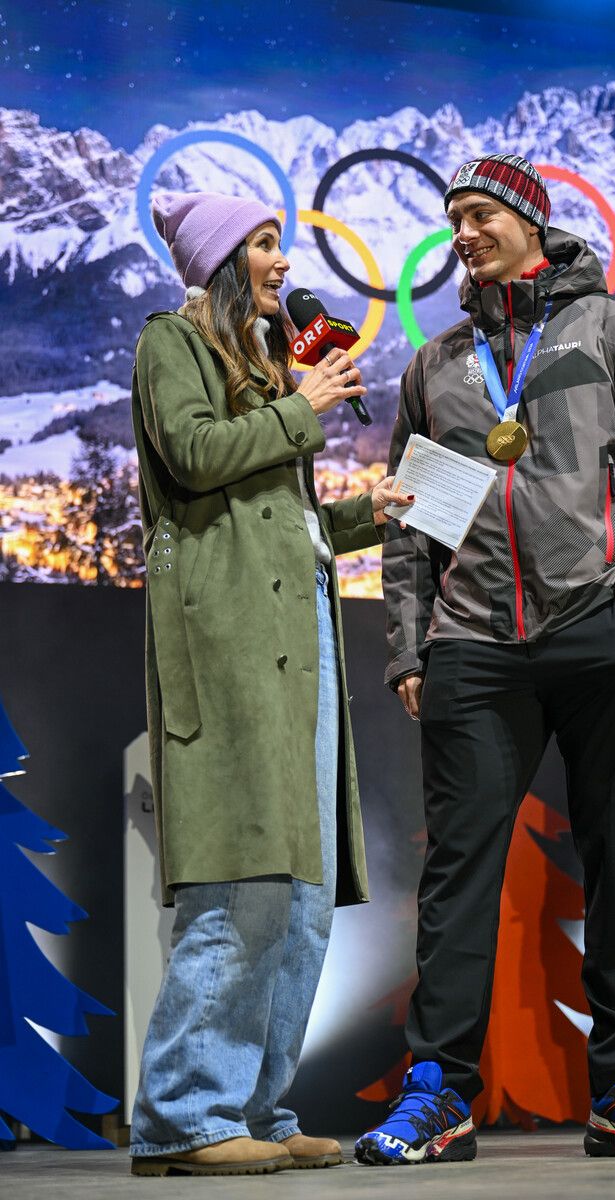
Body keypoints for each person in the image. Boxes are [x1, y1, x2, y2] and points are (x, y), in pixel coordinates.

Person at [356, 154, 615, 1164]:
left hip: (597, 625)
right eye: (453, 221)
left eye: (479, 214)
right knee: (458, 875)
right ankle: (439, 1092)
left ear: (529, 218)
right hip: (474, 642)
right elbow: (412, 522)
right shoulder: (438, 363)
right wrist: (412, 646)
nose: (462, 234)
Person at [128, 190, 407, 1177]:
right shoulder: (171, 342)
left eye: (280, 243)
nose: (282, 262)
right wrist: (303, 407)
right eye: (262, 244)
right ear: (217, 262)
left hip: (299, 644)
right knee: (243, 879)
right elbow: (195, 455)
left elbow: (284, 528)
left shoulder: (260, 362)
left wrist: (371, 516)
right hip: (231, 647)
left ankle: (255, 1104)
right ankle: (183, 1116)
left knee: (298, 893)